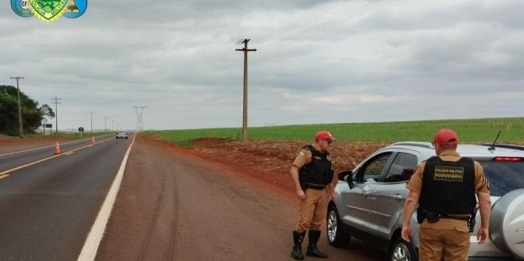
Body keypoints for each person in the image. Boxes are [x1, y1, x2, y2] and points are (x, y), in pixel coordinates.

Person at [401, 128, 491, 261]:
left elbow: (411, 198)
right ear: (456, 146)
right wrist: (484, 227)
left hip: (431, 227)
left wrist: (406, 224)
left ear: (437, 145)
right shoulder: (474, 167)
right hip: (459, 228)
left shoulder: (426, 166)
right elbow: (485, 201)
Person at [290, 130, 338, 260]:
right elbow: (294, 169)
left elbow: (328, 175)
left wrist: (331, 191)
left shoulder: (326, 156)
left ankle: (312, 248)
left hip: (322, 191)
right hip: (309, 191)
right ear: (320, 140)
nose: (330, 144)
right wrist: (299, 189)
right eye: (328, 141)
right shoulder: (306, 152)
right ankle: (297, 248)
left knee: (317, 221)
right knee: (305, 220)